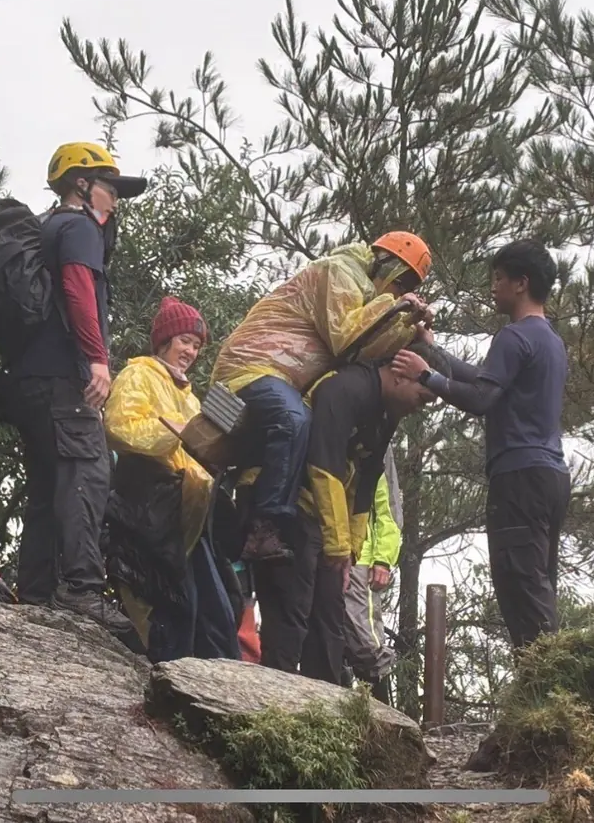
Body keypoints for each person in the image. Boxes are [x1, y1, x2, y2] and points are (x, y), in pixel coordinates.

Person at [209, 234, 433, 564]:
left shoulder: (369, 294)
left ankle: (250, 513)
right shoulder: (339, 271)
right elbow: (345, 338)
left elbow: (367, 348)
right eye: (401, 283)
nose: (399, 291)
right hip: (253, 365)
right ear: (387, 265)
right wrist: (392, 306)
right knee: (293, 419)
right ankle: (266, 524)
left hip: (281, 378)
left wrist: (411, 327)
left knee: (302, 421)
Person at [1, 140, 145, 644]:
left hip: (28, 380)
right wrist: (98, 359)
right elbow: (80, 289)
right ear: (81, 185)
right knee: (89, 468)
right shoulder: (78, 226)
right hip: (64, 377)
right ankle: (82, 588)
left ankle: (36, 590)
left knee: (47, 480)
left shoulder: (48, 228)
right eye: (110, 187)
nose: (116, 198)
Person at [392, 240, 569, 650]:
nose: (493, 288)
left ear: (521, 283)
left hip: (518, 479)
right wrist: (434, 354)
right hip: (551, 477)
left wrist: (425, 377)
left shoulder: (513, 336)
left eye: (498, 279)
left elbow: (481, 399)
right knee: (538, 583)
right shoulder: (550, 341)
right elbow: (488, 379)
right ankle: (552, 684)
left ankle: (544, 686)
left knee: (520, 587)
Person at [256, 359, 436, 685]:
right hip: (290, 508)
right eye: (422, 397)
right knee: (291, 615)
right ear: (399, 375)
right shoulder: (345, 388)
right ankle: (274, 706)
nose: (420, 407)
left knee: (329, 621)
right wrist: (339, 548)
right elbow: (323, 469)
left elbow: (365, 486)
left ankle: (324, 710)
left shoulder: (385, 416)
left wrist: (349, 553)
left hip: (324, 520)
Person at [103, 297, 240, 662]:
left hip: (193, 516)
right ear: (164, 341)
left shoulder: (190, 396)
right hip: (152, 510)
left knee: (221, 615)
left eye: (196, 346)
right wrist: (177, 433)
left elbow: (200, 452)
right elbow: (119, 427)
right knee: (177, 609)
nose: (191, 352)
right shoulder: (139, 374)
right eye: (184, 341)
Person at [343, 459, 401, 703]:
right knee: (331, 639)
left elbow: (388, 504)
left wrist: (383, 559)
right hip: (325, 548)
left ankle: (386, 722)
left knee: (366, 642)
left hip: (362, 558)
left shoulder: (378, 436)